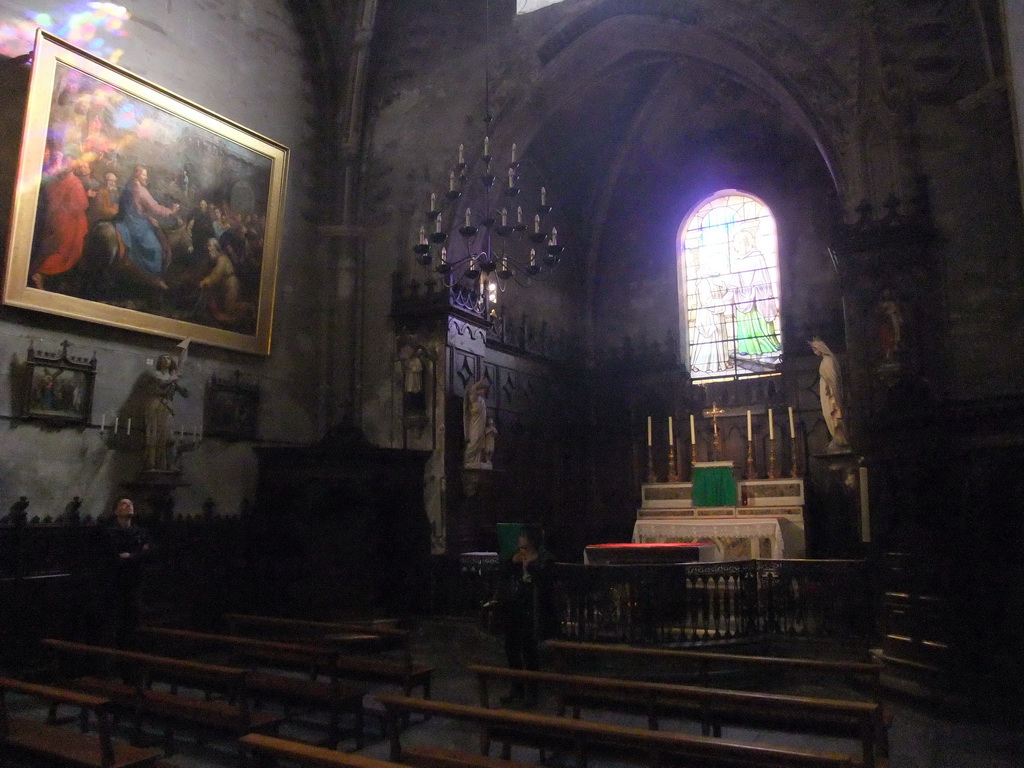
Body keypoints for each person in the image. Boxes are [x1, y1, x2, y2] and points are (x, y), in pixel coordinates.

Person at [497, 526, 556, 707]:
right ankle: (516, 688)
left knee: (530, 652)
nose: (519, 539)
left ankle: (532, 691)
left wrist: (529, 567)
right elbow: (503, 573)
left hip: (532, 609)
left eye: (522, 536)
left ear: (531, 539)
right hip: (514, 608)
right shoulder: (517, 554)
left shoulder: (545, 558)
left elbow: (546, 582)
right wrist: (511, 563)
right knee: (511, 649)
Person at [31, 155, 94, 288]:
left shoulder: (54, 181)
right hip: (70, 223)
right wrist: (88, 198)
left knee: (53, 248)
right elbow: (81, 205)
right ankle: (41, 273)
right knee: (68, 251)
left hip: (54, 219)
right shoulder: (75, 182)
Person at [114, 165, 181, 285]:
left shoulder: (129, 186)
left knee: (153, 224)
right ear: (137, 175)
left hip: (126, 220)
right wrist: (171, 210)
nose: (146, 177)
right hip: (136, 223)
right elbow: (154, 207)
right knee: (156, 249)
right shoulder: (140, 190)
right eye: (144, 175)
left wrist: (147, 216)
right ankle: (154, 278)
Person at [104, 498, 152, 648]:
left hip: (136, 580)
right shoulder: (109, 532)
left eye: (131, 503)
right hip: (116, 582)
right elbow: (111, 554)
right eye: (124, 504)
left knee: (134, 618)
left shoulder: (140, 531)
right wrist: (136, 553)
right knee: (117, 621)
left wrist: (131, 556)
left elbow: (149, 551)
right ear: (116, 511)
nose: (129, 506)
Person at [731, 229, 781, 358]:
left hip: (757, 296)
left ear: (747, 242)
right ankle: (746, 346)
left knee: (759, 320)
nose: (737, 244)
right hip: (742, 297)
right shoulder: (736, 261)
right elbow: (735, 280)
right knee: (744, 321)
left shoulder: (757, 257)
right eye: (736, 242)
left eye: (740, 241)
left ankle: (766, 344)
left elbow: (763, 277)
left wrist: (754, 288)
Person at [144, 349, 189, 472]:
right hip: (156, 404)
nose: (166, 360)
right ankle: (151, 464)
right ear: (159, 361)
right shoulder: (154, 373)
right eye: (163, 358)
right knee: (154, 434)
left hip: (167, 406)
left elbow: (185, 394)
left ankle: (167, 464)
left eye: (168, 358)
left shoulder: (172, 377)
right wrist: (173, 378)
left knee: (168, 436)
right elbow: (161, 384)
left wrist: (178, 385)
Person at [810, 338, 849, 452]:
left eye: (814, 348)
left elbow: (833, 380)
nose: (814, 351)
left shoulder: (828, 361)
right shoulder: (825, 360)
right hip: (826, 391)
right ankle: (836, 437)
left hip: (830, 394)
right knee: (828, 415)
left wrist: (831, 393)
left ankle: (840, 437)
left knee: (832, 414)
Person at [463, 378, 490, 467]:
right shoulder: (473, 398)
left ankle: (476, 460)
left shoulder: (481, 400)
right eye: (483, 389)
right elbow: (472, 389)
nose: (484, 392)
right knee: (475, 439)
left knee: (480, 440)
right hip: (474, 424)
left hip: (480, 424)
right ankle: (468, 458)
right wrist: (480, 382)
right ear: (479, 389)